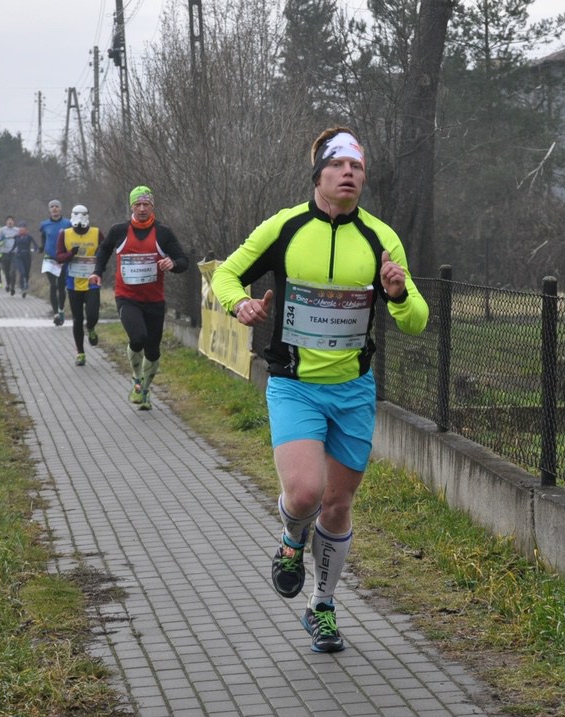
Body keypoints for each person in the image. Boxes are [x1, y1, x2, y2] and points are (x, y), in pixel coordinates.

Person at [211, 127, 429, 653]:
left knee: (336, 505)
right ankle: (291, 540)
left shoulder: (380, 238)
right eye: (338, 165)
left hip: (353, 390)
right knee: (306, 493)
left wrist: (399, 294)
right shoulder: (285, 227)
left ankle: (322, 607)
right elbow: (225, 275)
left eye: (358, 167)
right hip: (295, 386)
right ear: (319, 174)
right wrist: (240, 304)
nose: (349, 173)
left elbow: (417, 320)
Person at [89, 186, 189, 410]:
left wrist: (172, 263)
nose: (142, 209)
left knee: (153, 351)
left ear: (152, 206)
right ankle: (137, 378)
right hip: (127, 297)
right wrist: (97, 271)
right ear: (131, 206)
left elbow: (184, 261)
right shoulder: (119, 231)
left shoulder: (163, 233)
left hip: (154, 301)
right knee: (138, 338)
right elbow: (104, 250)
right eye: (138, 204)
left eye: (146, 204)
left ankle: (145, 390)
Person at [56, 205, 105, 366]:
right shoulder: (64, 234)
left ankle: (90, 328)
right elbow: (59, 257)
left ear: (87, 216)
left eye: (83, 214)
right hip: (73, 283)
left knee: (92, 315)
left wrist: (99, 261)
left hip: (92, 282)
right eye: (76, 214)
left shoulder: (96, 233)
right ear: (72, 215)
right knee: (77, 319)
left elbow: (106, 251)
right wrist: (71, 254)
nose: (79, 217)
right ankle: (80, 353)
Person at [40, 199, 72, 326]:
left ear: (60, 209)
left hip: (62, 259)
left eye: (57, 206)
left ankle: (61, 309)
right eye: (52, 207)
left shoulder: (67, 223)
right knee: (53, 285)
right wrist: (42, 247)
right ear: (49, 210)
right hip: (49, 258)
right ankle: (56, 314)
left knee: (61, 286)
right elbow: (43, 237)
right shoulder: (44, 224)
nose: (54, 208)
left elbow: (71, 239)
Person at [10, 221, 39, 298]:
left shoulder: (29, 236)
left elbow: (36, 245)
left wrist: (35, 250)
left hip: (27, 256)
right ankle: (22, 287)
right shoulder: (16, 237)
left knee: (26, 273)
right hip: (19, 256)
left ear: (26, 229)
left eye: (23, 227)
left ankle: (25, 287)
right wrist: (9, 253)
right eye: (20, 228)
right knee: (22, 272)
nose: (22, 229)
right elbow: (14, 246)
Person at [0, 217, 20, 294]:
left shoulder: (17, 230)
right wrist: (1, 239)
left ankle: (12, 287)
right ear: (6, 222)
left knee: (13, 271)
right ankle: (8, 284)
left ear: (14, 222)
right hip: (5, 253)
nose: (10, 222)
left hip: (14, 253)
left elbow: (21, 239)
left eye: (11, 221)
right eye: (8, 221)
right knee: (6, 270)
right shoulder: (2, 230)